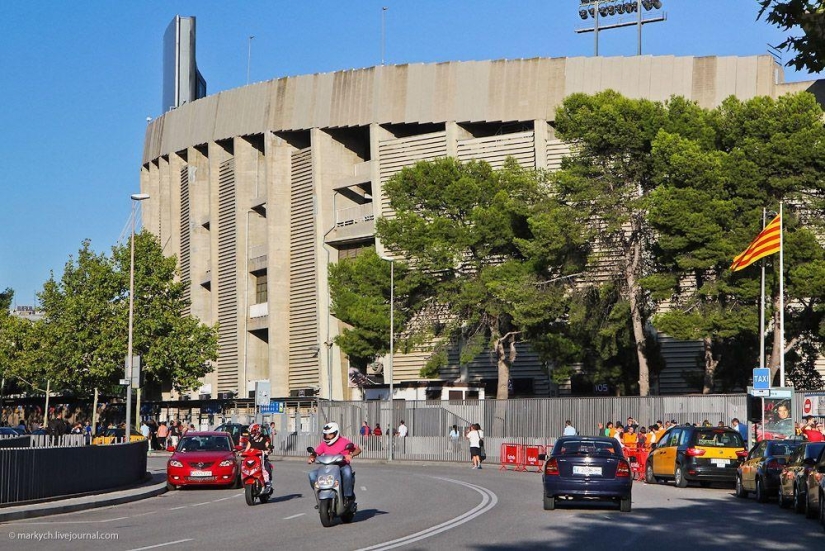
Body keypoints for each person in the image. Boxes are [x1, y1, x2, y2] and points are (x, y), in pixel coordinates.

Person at [307, 422, 361, 506]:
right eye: (326, 435)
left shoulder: (344, 441)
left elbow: (357, 449)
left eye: (330, 434)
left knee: (347, 472)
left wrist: (351, 455)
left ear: (336, 433)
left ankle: (348, 497)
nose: (327, 437)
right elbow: (316, 453)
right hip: (327, 467)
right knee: (312, 474)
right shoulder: (324, 444)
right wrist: (312, 457)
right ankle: (320, 496)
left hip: (342, 466)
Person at [245, 423, 273, 489]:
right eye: (251, 433)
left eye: (253, 432)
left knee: (267, 468)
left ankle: (268, 483)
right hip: (252, 459)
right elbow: (246, 450)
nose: (251, 434)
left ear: (257, 432)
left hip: (262, 459)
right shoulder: (250, 440)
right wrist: (241, 453)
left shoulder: (264, 439)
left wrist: (269, 450)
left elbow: (268, 446)